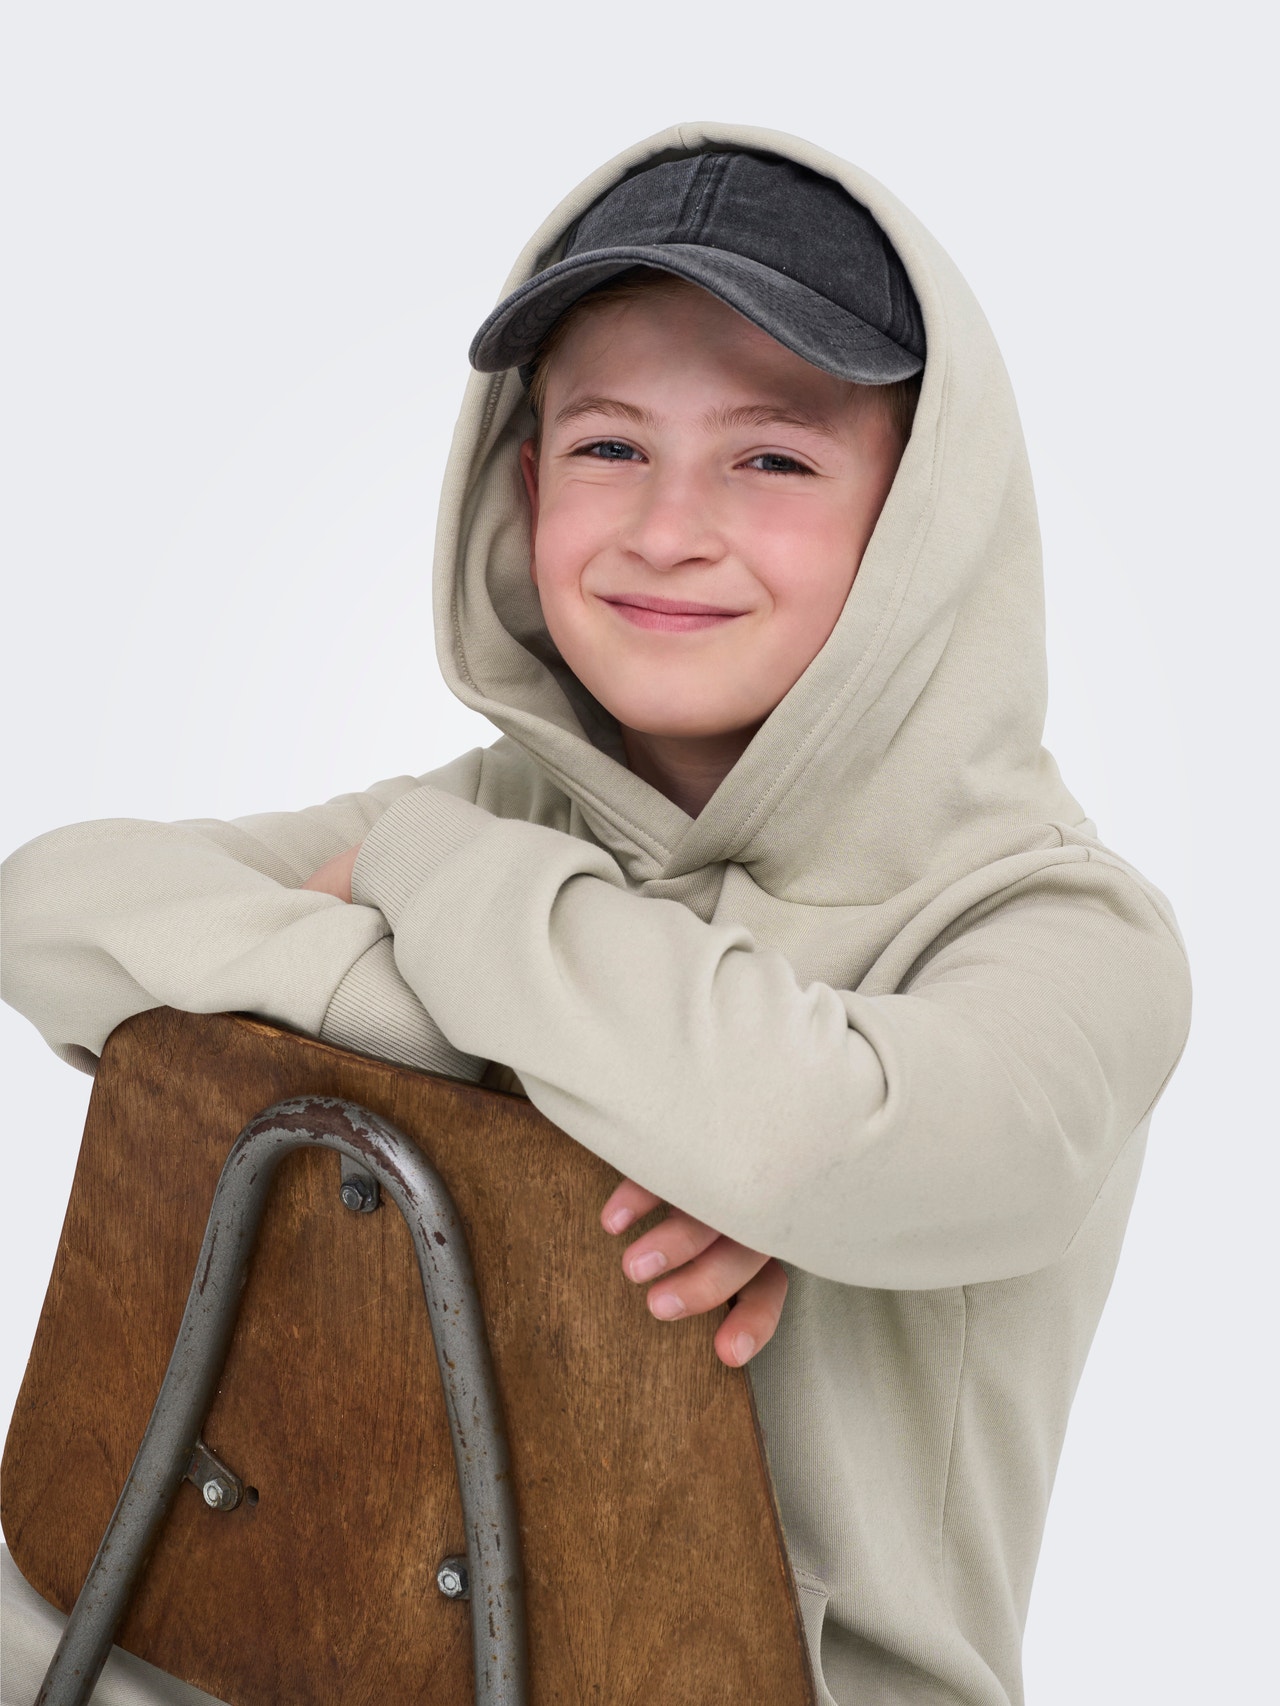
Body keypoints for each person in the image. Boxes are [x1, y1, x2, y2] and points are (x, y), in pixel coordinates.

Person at [1, 122, 1192, 1706]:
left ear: (920, 524)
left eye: (772, 458)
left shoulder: (1067, 933)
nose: (665, 527)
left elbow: (809, 1137)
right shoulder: (490, 819)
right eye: (611, 446)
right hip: (244, 1638)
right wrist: (612, 1097)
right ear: (525, 483)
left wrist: (435, 918)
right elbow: (56, 910)